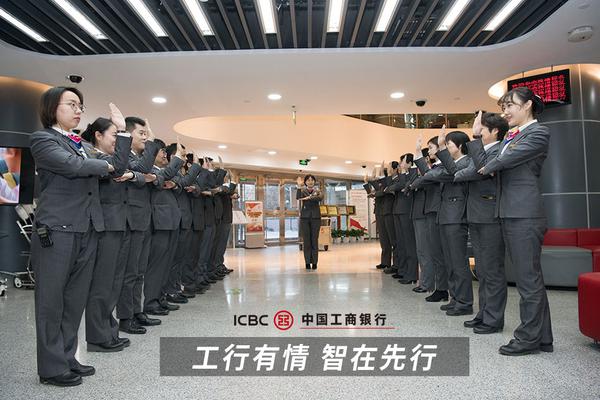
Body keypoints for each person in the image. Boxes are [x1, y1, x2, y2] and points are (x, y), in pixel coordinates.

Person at [30, 86, 114, 386]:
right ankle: (51, 368)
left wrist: (119, 136)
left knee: (74, 300)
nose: (78, 110)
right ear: (53, 107)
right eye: (72, 104)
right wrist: (103, 164)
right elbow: (73, 166)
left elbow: (113, 163)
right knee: (51, 302)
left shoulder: (80, 143)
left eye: (80, 106)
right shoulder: (43, 139)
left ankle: (67, 357)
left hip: (86, 227)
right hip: (57, 229)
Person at [478, 87, 553, 356]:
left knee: (527, 280)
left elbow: (503, 160)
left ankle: (528, 338)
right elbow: (488, 160)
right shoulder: (512, 136)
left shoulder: (539, 132)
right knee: (529, 278)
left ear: (528, 105)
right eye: (504, 107)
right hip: (509, 212)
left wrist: (491, 163)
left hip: (524, 214)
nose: (505, 112)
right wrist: (481, 143)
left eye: (510, 105)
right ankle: (542, 338)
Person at [81, 111, 140, 353]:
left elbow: (126, 165)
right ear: (98, 135)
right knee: (102, 283)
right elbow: (117, 168)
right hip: (105, 225)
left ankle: (109, 330)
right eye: (115, 134)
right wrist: (125, 132)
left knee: (114, 281)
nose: (117, 139)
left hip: (120, 223)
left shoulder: (111, 157)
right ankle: (97, 337)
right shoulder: (90, 152)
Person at [454, 111, 508, 334]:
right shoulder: (483, 152)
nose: (478, 133)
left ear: (495, 131)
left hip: (490, 217)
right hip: (476, 215)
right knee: (482, 270)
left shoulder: (499, 149)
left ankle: (493, 319)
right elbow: (467, 171)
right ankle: (484, 313)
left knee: (492, 270)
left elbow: (478, 170)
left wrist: (474, 139)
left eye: (481, 130)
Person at [414, 130, 472, 316]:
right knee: (450, 262)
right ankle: (455, 298)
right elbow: (429, 175)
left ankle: (464, 302)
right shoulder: (450, 165)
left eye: (448, 145)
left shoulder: (465, 162)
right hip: (446, 216)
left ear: (460, 146)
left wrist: (440, 149)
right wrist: (419, 155)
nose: (445, 149)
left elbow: (445, 173)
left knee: (458, 263)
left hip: (456, 217)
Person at [116, 117, 160, 334]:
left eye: (146, 134)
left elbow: (154, 176)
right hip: (131, 220)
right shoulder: (125, 154)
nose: (145, 137)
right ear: (129, 133)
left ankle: (137, 311)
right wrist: (144, 176)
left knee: (139, 270)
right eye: (142, 133)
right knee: (129, 272)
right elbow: (143, 170)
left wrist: (144, 176)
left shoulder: (140, 158)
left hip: (143, 219)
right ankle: (126, 318)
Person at [297, 174, 323, 270]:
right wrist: (299, 187)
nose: (310, 181)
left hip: (316, 218)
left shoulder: (318, 190)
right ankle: (307, 262)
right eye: (308, 180)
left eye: (312, 180)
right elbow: (298, 197)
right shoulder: (302, 190)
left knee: (314, 240)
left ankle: (315, 262)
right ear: (305, 182)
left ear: (314, 181)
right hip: (304, 218)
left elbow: (320, 198)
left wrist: (308, 198)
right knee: (306, 241)